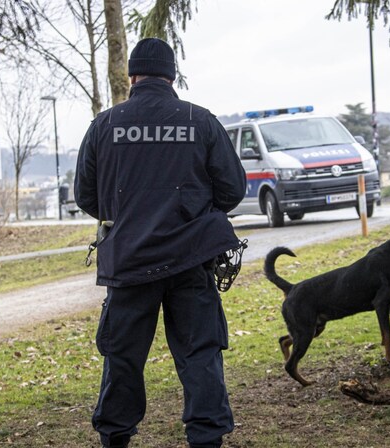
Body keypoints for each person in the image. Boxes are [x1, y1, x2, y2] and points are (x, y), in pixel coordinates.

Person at [74, 37, 246, 448]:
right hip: (190, 261)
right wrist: (194, 213)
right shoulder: (200, 121)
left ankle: (115, 437)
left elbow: (86, 195)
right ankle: (206, 438)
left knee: (122, 358)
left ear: (133, 75)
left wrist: (129, 213)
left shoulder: (105, 124)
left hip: (129, 264)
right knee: (200, 354)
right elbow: (233, 189)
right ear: (172, 76)